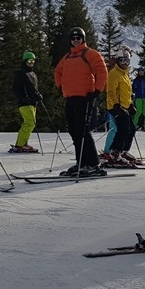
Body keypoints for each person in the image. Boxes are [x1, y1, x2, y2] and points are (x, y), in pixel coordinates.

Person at [53, 26, 108, 177]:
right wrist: (60, 86)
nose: (76, 40)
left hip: (85, 97)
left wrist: (97, 90)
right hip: (70, 96)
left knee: (83, 130)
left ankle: (93, 163)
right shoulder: (68, 57)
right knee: (74, 130)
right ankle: (81, 162)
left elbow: (102, 71)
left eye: (79, 38)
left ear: (83, 39)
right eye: (73, 38)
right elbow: (57, 71)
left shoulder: (90, 54)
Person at [104, 46, 138, 166]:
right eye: (123, 61)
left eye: (127, 61)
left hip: (125, 106)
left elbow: (126, 92)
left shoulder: (125, 74)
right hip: (116, 107)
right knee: (123, 130)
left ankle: (123, 151)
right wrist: (116, 105)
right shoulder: (114, 73)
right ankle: (115, 153)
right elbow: (111, 91)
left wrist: (130, 105)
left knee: (131, 129)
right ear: (118, 61)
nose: (125, 64)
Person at [11, 50, 42, 152]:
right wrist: (22, 98)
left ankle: (23, 143)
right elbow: (16, 88)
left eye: (33, 61)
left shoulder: (33, 74)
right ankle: (20, 145)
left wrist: (38, 95)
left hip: (32, 103)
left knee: (30, 123)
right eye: (29, 61)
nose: (31, 63)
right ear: (24, 61)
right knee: (30, 122)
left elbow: (34, 89)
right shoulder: (21, 73)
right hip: (25, 103)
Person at [132, 66, 145, 131]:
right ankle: (135, 124)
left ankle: (144, 125)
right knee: (138, 111)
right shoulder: (136, 80)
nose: (141, 73)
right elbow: (133, 87)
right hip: (138, 97)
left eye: (142, 71)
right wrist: (135, 91)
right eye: (140, 72)